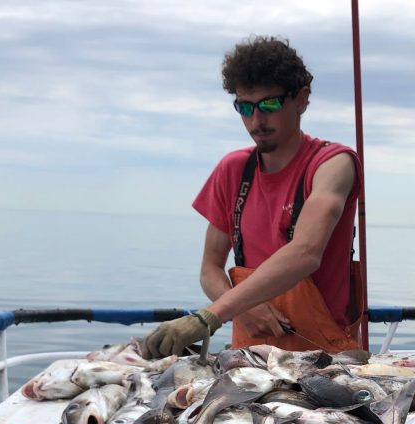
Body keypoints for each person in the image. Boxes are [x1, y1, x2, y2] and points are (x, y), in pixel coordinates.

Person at [141, 35, 364, 358]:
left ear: (301, 99)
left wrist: (211, 314)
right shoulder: (232, 170)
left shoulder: (333, 164)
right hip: (248, 359)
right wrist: (243, 308)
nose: (256, 120)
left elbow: (305, 252)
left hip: (325, 358)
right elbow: (210, 269)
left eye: (269, 104)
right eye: (245, 107)